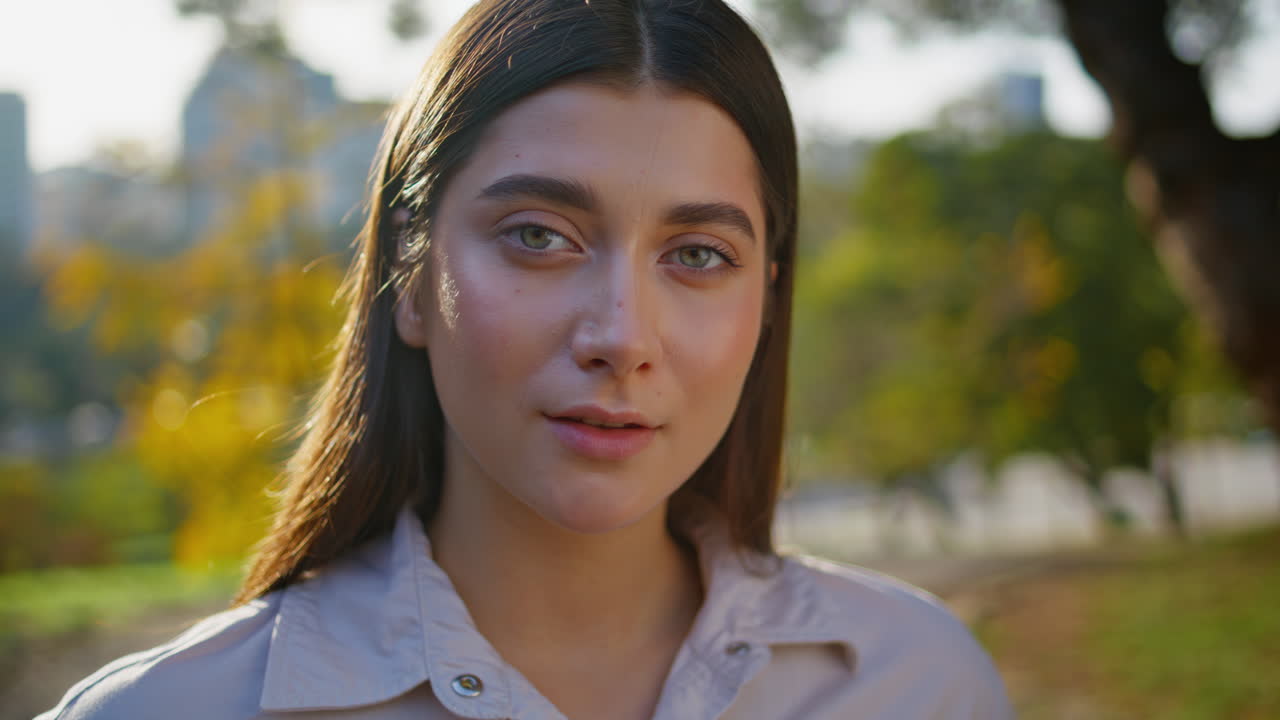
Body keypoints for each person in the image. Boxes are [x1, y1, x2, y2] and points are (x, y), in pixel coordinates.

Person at [40, 0, 1012, 718]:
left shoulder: (917, 682)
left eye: (698, 255)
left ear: (767, 299)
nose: (620, 336)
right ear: (408, 280)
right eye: (539, 237)